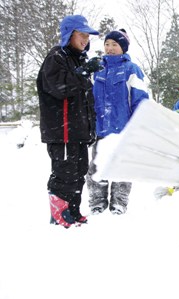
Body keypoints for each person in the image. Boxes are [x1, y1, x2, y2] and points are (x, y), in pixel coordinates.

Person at [36, 15, 102, 228]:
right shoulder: (56, 57)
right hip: (62, 129)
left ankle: (72, 210)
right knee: (65, 172)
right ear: (69, 35)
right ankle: (59, 213)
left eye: (87, 35)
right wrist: (83, 73)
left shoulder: (78, 59)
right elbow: (59, 88)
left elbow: (86, 99)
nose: (85, 39)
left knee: (79, 170)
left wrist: (91, 128)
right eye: (81, 34)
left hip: (79, 131)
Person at [86, 29, 149, 215]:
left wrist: (138, 127)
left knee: (122, 168)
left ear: (123, 47)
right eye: (107, 44)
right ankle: (97, 202)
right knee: (96, 167)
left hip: (123, 130)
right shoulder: (97, 69)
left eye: (114, 45)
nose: (110, 48)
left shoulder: (131, 69)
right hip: (101, 129)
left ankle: (119, 202)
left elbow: (140, 101)